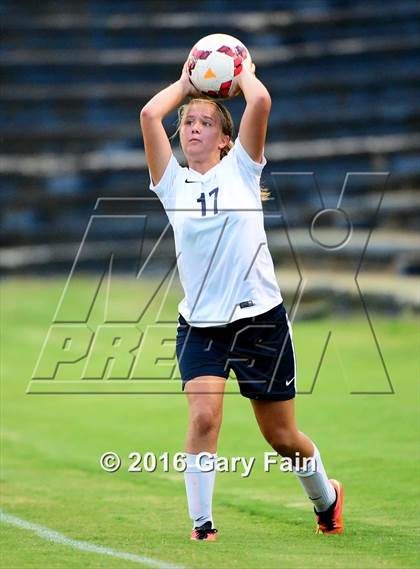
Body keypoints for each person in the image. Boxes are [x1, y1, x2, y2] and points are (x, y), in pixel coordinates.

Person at [140, 59, 344, 541]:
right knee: (205, 416)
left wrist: (240, 66)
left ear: (226, 139)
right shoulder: (172, 182)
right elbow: (151, 116)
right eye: (188, 122)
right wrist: (188, 85)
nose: (192, 128)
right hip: (201, 325)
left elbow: (261, 101)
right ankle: (202, 525)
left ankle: (326, 498)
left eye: (205, 123)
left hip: (259, 322)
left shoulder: (242, 170)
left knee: (282, 438)